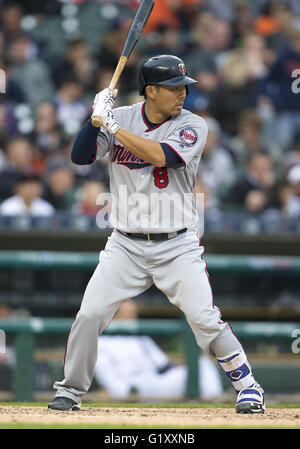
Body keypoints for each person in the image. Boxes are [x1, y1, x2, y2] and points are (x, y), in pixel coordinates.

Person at [48, 54, 264, 414]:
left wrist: (112, 128)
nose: (182, 94)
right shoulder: (122, 116)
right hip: (125, 244)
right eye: (174, 88)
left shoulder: (193, 124)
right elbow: (81, 156)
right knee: (90, 314)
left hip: (176, 243)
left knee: (204, 318)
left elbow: (164, 156)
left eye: (184, 87)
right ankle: (70, 389)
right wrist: (94, 119)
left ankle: (247, 386)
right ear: (150, 91)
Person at [94, 300, 223, 400]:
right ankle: (214, 401)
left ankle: (214, 403)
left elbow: (165, 366)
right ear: (113, 316)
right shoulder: (102, 343)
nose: (133, 318)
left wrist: (185, 365)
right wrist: (125, 395)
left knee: (201, 363)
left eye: (134, 314)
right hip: (136, 387)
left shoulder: (140, 337)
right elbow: (110, 380)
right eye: (128, 315)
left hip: (156, 382)